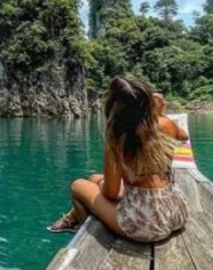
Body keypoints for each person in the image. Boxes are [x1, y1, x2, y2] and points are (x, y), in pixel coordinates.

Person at [47, 77, 188, 242]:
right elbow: (183, 136)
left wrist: (101, 185)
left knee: (77, 186)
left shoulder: (118, 140)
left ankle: (83, 230)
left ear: (114, 107)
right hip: (176, 210)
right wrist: (161, 114)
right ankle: (71, 220)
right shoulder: (166, 124)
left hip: (146, 224)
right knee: (93, 178)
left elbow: (111, 194)